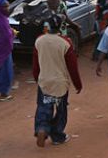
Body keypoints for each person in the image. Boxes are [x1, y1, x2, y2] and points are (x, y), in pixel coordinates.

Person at [32, 18, 82, 147]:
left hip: (44, 82)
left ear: (47, 26)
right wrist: (78, 84)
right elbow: (72, 68)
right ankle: (57, 135)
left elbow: (35, 65)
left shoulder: (39, 41)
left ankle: (41, 128)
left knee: (44, 107)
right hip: (60, 83)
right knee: (60, 110)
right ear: (61, 27)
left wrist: (37, 78)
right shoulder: (65, 43)